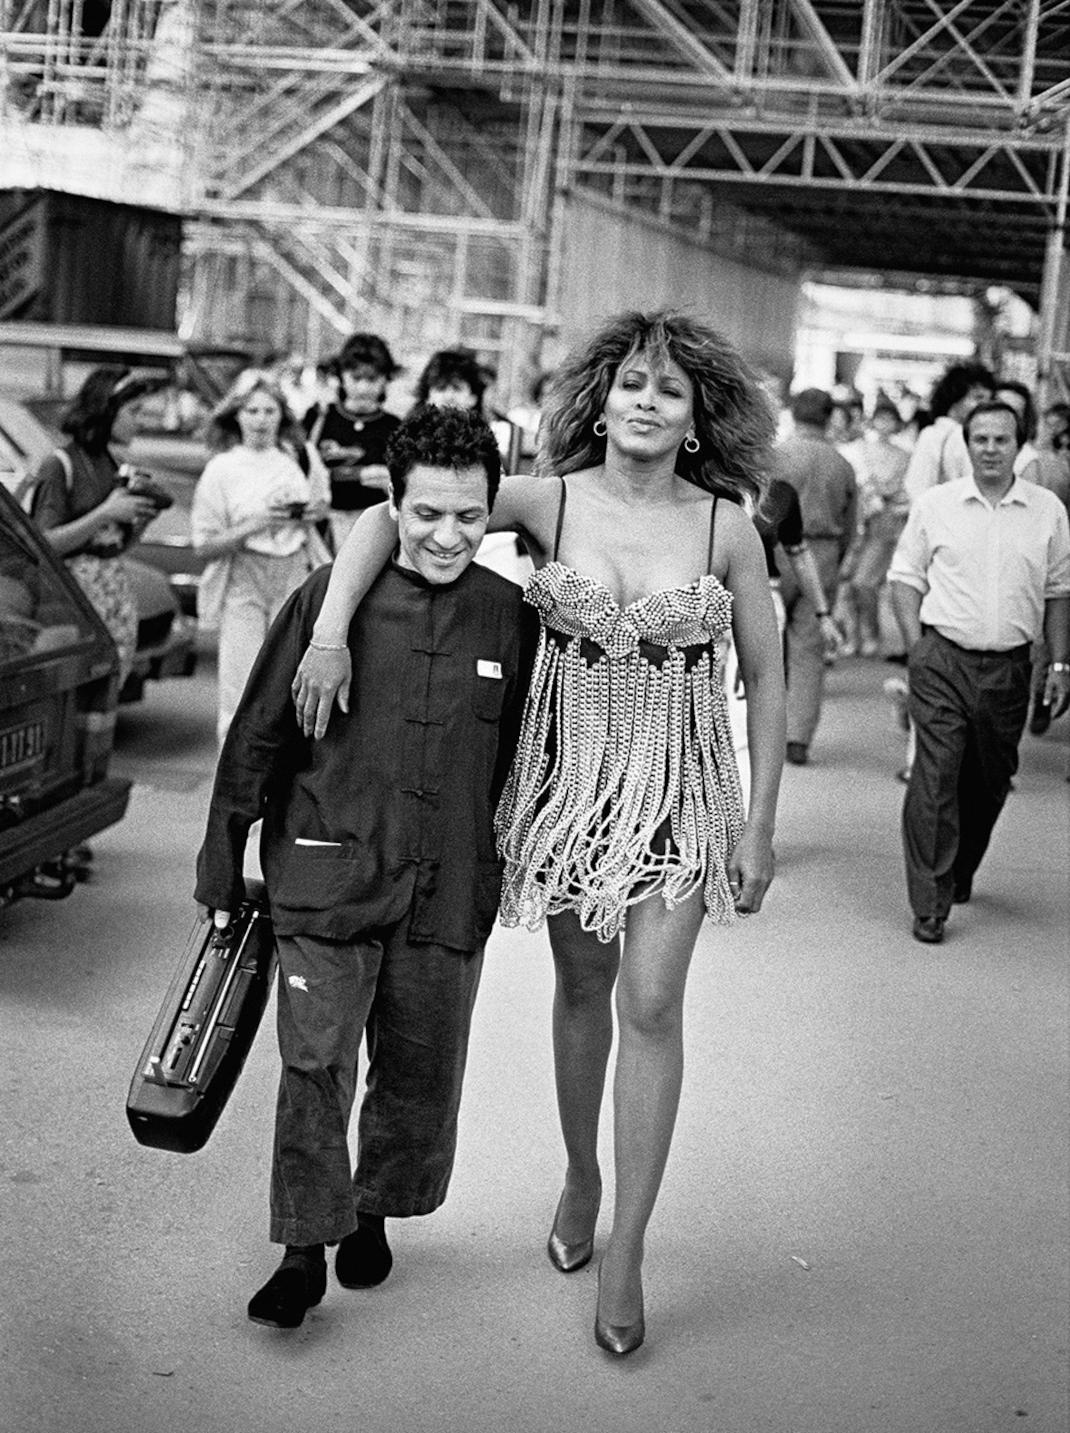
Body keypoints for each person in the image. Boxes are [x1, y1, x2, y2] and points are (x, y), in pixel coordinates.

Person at [291, 309, 786, 1356]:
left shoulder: (724, 528)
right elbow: (393, 517)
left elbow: (770, 673)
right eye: (630, 385)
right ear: (599, 400)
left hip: (680, 789)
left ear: (697, 420)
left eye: (669, 391)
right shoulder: (543, 500)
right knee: (581, 989)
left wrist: (760, 823)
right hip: (567, 796)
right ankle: (580, 1171)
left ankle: (627, 1248)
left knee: (652, 1001)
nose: (646, 403)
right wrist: (330, 631)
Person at [194, 407, 536, 1330]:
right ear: (391, 503)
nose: (446, 534)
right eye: (426, 512)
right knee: (315, 1060)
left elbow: (528, 755)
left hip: (448, 878)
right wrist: (223, 865)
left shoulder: (510, 617)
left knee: (421, 1067)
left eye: (469, 515)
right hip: (327, 871)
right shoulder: (326, 606)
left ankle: (375, 1210)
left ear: (494, 511)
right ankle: (302, 1248)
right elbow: (258, 730)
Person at [889, 400, 1070, 944]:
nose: (990, 449)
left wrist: (1059, 662)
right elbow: (904, 578)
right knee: (934, 776)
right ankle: (930, 902)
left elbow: (1059, 591)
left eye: (1002, 439)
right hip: (943, 657)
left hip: (1011, 667)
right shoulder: (937, 505)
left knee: (989, 782)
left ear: (1022, 446)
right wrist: (917, 650)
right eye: (981, 439)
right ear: (966, 445)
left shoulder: (1047, 511)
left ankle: (961, 867)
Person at [191, 370, 329, 744]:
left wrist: (307, 512)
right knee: (240, 685)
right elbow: (204, 544)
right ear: (236, 415)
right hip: (244, 575)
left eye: (269, 411)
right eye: (251, 410)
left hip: (292, 570)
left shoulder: (299, 457)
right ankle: (232, 777)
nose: (261, 420)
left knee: (287, 683)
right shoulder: (222, 469)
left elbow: (321, 505)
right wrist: (258, 523)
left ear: (282, 416)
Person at [25, 365, 167, 686]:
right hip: (68, 603)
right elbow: (43, 544)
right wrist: (105, 512)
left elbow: (115, 545)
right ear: (108, 409)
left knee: (103, 708)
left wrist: (140, 521)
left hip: (113, 597)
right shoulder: (60, 464)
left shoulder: (114, 464)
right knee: (71, 701)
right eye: (134, 411)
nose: (139, 421)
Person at [771, 387, 857, 765]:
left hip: (774, 551)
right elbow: (852, 523)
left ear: (793, 414)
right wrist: (839, 559)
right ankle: (798, 737)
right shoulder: (842, 463)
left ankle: (763, 728)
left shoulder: (776, 457)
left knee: (766, 645)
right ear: (829, 417)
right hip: (821, 553)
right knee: (809, 649)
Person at [303, 332, 402, 549]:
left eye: (372, 379)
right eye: (356, 378)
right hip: (321, 528)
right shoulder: (319, 416)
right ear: (341, 377)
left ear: (386, 379)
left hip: (374, 529)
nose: (364, 388)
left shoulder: (395, 427)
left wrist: (390, 484)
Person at [838, 398, 911, 658]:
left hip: (886, 525)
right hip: (858, 521)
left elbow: (903, 490)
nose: (884, 424)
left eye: (890, 419)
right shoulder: (857, 450)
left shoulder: (904, 455)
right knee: (847, 585)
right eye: (880, 418)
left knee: (864, 582)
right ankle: (853, 636)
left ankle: (871, 635)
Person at [903, 361, 994, 502]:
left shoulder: (934, 434)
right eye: (978, 398)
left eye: (989, 400)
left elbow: (915, 488)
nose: (985, 406)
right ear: (955, 398)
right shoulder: (948, 435)